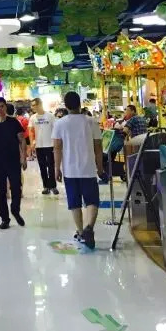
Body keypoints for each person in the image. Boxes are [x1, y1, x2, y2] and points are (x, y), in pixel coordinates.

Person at [52, 92, 103, 249]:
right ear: (80, 104)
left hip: (70, 170)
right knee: (92, 200)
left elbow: (57, 148)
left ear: (65, 105)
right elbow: (98, 147)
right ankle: (89, 228)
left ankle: (81, 232)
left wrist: (57, 168)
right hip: (88, 168)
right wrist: (100, 166)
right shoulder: (91, 121)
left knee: (74, 202)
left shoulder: (60, 123)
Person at [0, 97, 27, 229]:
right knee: (1, 191)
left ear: (5, 107)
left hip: (13, 161)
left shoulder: (13, 122)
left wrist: (23, 157)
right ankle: (5, 219)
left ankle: (15, 210)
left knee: (16, 188)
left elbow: (22, 140)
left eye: (2, 106)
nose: (0, 109)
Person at [29, 98, 58, 195]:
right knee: (42, 167)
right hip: (39, 146)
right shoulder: (33, 118)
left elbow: (55, 130)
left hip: (50, 145)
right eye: (32, 105)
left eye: (34, 105)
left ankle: (53, 186)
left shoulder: (50, 116)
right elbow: (30, 131)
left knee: (51, 166)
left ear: (40, 104)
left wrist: (56, 143)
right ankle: (46, 186)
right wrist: (32, 143)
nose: (32, 107)